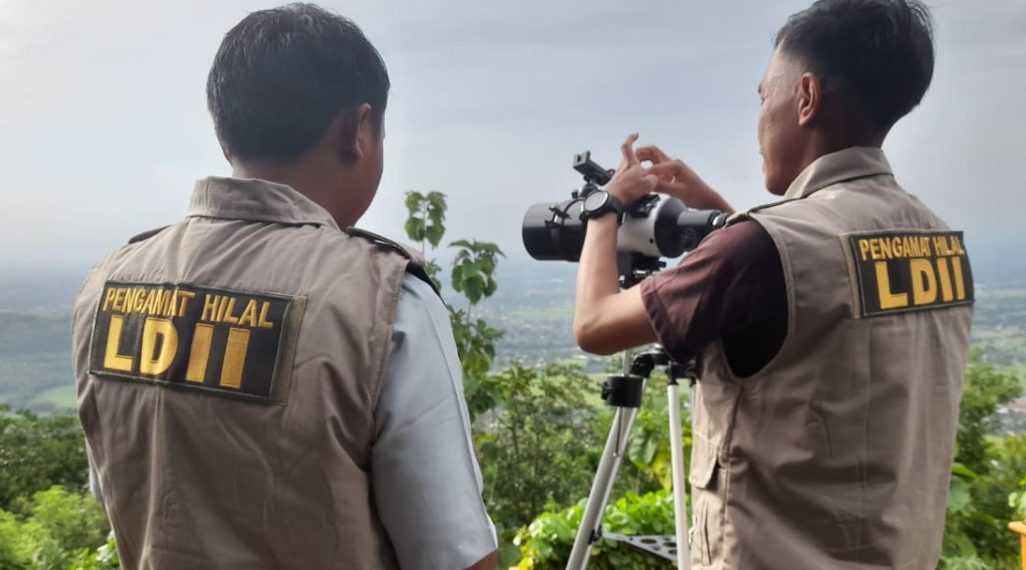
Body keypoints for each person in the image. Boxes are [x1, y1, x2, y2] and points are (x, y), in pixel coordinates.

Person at [71, 4, 497, 569]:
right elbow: (457, 557)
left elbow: (120, 490)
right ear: (358, 130)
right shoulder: (387, 304)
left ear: (227, 136)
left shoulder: (109, 286)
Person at [573, 0, 974, 568]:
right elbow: (808, 298)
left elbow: (594, 326)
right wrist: (715, 212)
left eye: (764, 96)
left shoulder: (763, 249)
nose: (760, 116)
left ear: (806, 98)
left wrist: (604, 207)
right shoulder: (938, 239)